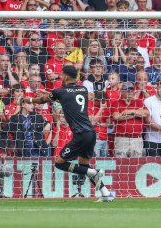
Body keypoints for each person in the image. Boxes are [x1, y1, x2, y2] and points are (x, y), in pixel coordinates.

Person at [24, 65, 114, 202]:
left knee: (59, 162)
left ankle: (94, 172)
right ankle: (105, 193)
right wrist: (49, 92)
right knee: (83, 166)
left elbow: (42, 100)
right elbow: (67, 97)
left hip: (80, 134)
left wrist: (27, 100)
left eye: (61, 74)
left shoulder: (60, 92)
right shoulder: (82, 89)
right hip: (91, 133)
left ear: (65, 76)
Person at [111, 82, 149, 157]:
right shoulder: (116, 103)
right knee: (120, 164)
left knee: (136, 165)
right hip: (121, 139)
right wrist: (136, 115)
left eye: (131, 91)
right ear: (122, 91)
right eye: (127, 91)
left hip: (136, 139)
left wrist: (130, 111)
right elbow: (117, 117)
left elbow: (146, 113)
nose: (130, 93)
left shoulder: (138, 102)